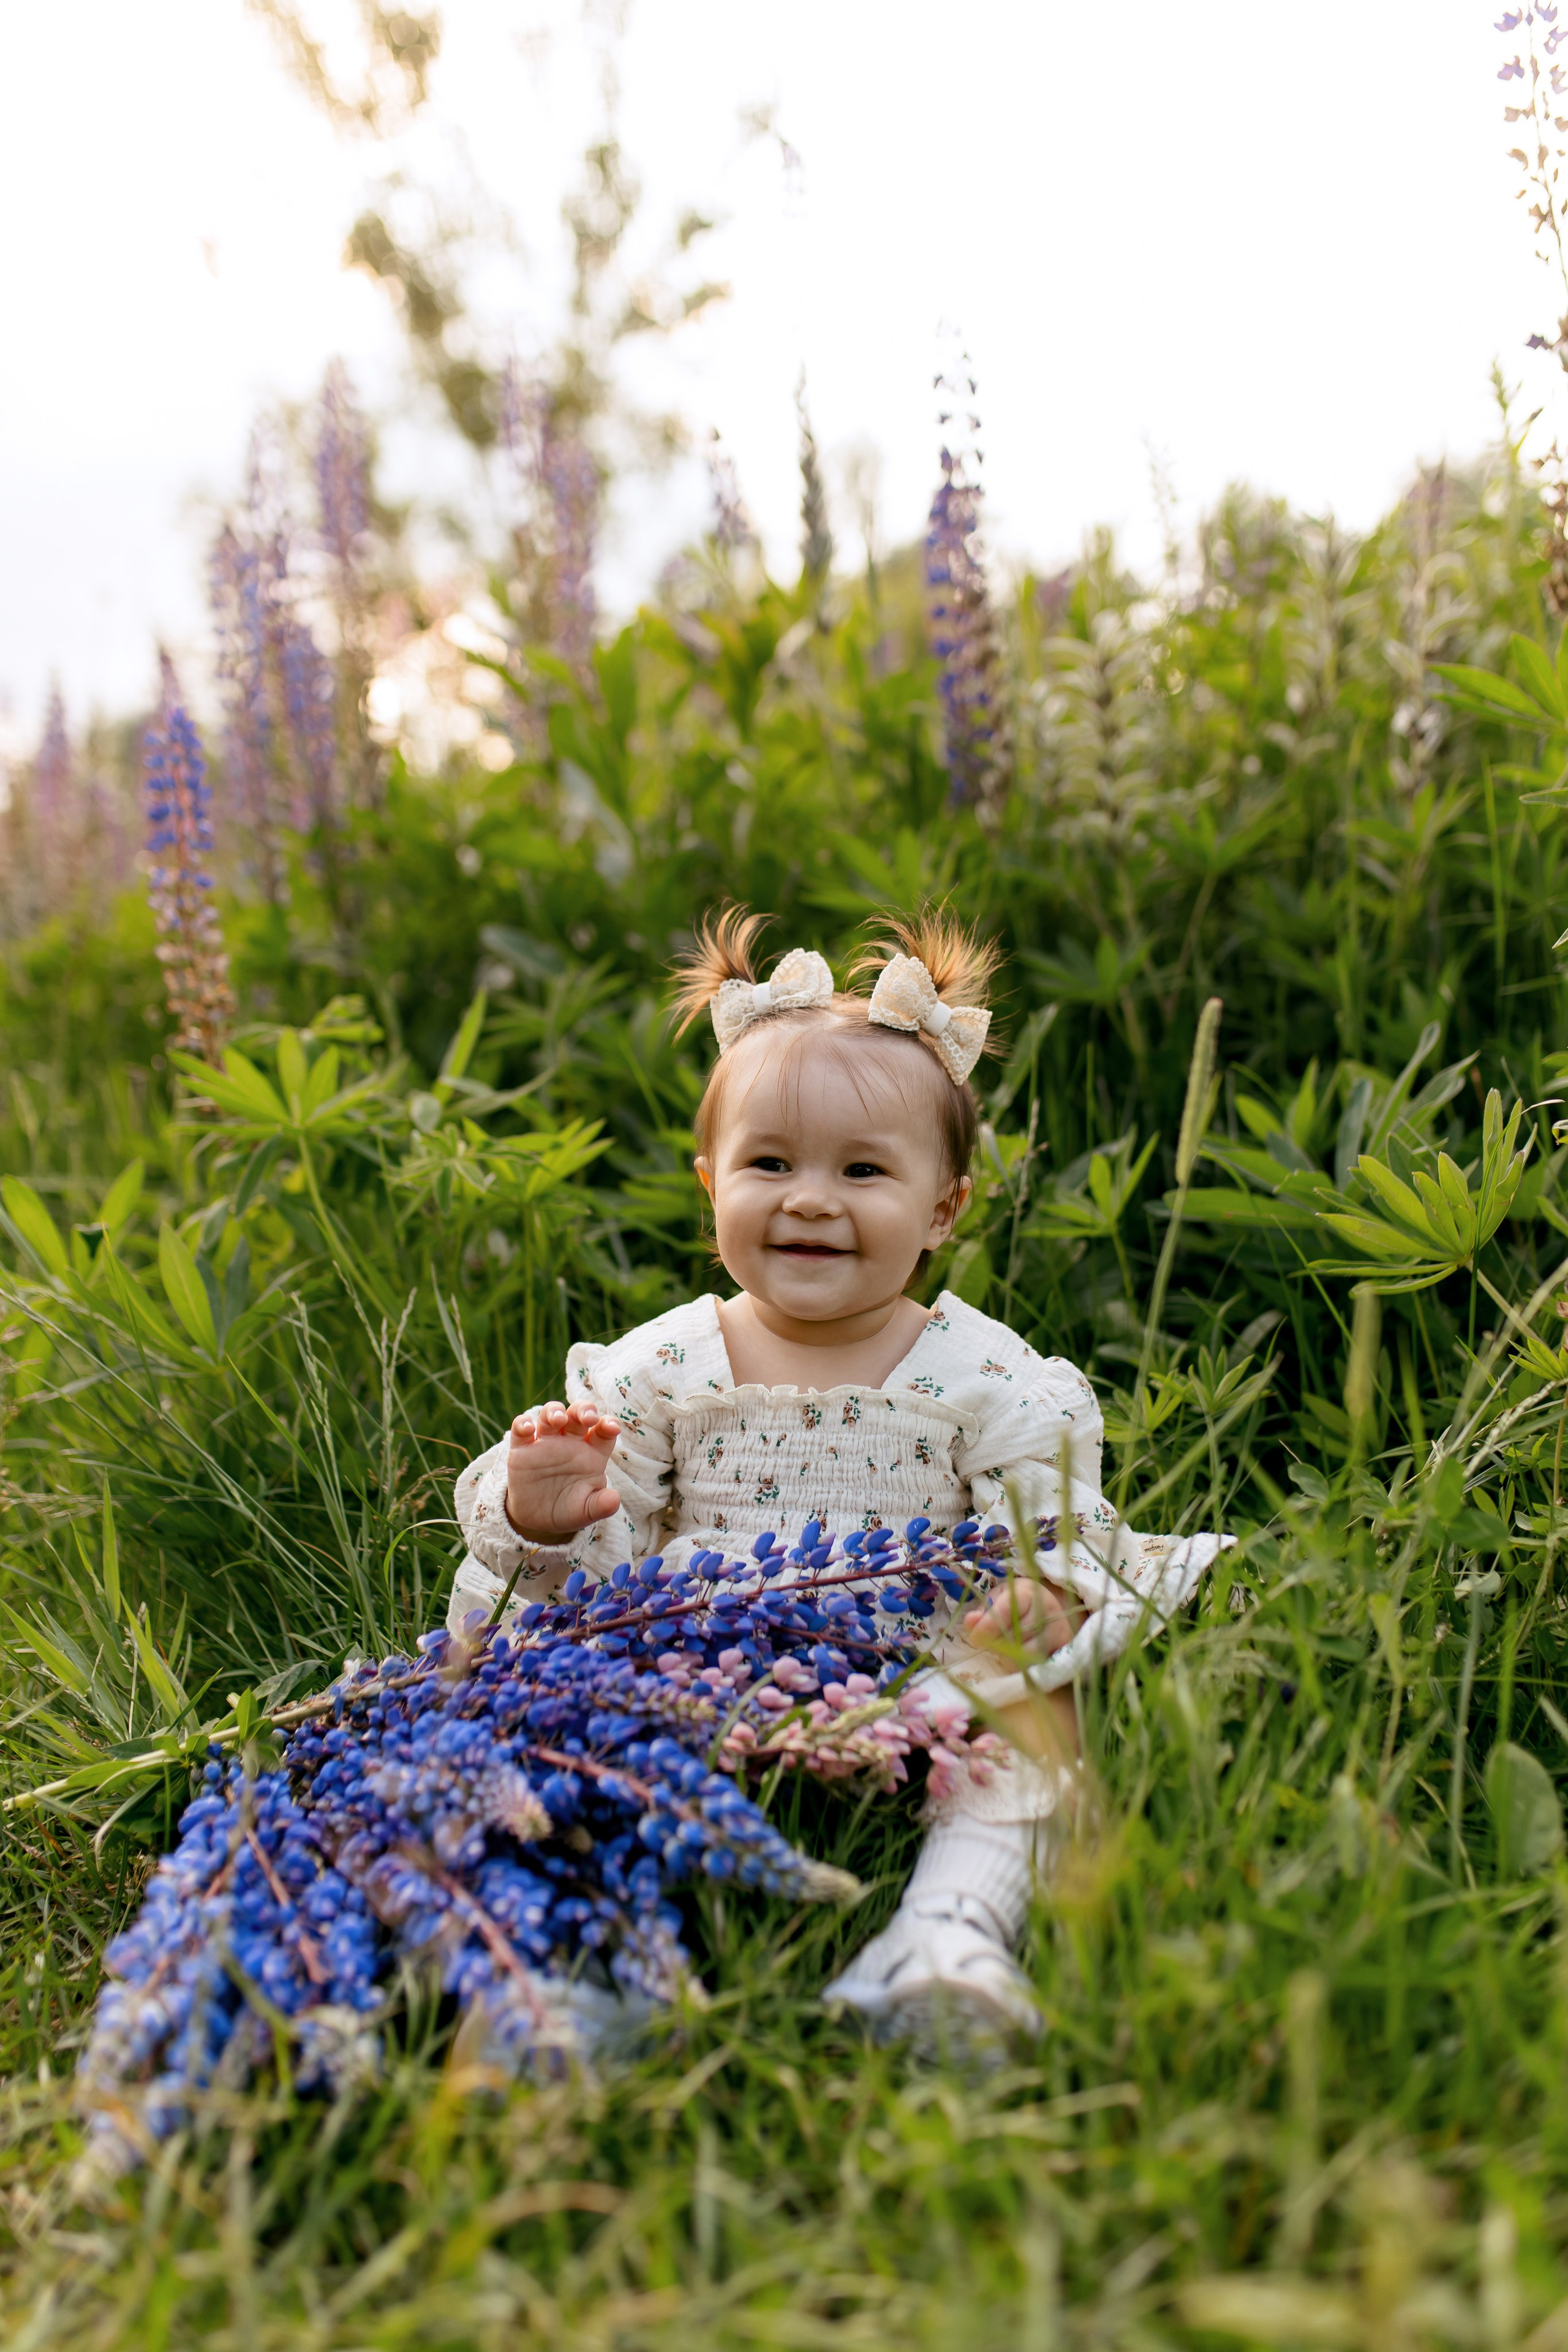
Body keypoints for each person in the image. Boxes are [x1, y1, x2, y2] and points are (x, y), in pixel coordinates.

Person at [448, 909, 1226, 2043]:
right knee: (566, 1727)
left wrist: (1038, 1587)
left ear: (943, 1209)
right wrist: (551, 1511)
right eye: (770, 1164)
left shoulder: (989, 1373)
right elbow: (589, 1579)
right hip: (690, 1662)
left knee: (1031, 1714)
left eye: (863, 1170)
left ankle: (947, 1936)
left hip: (911, 1666)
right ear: (712, 1182)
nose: (809, 1197)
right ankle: (589, 1969)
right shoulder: (659, 1365)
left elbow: (1056, 1517)